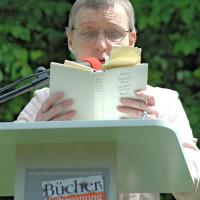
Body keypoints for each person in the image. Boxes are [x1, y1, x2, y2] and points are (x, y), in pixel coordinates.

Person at [17, 0, 200, 199]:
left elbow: (194, 192)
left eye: (113, 33)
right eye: (88, 33)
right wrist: (35, 140)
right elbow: (10, 179)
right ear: (70, 40)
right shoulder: (44, 103)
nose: (101, 46)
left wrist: (158, 135)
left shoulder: (163, 101)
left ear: (131, 40)